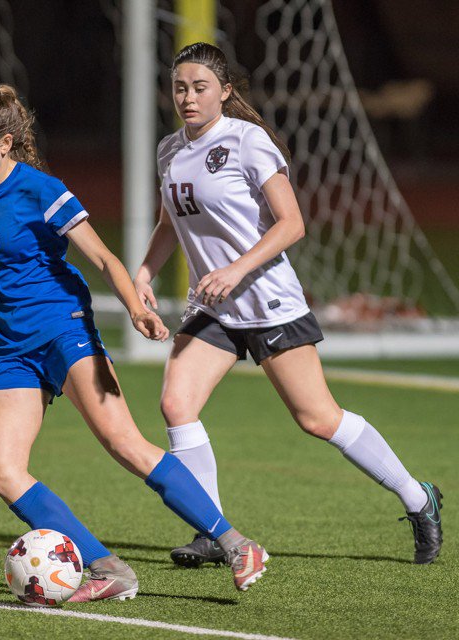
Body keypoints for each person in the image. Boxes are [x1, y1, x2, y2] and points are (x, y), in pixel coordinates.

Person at [0, 85, 270, 599]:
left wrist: (137, 308)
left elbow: (103, 258)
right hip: (10, 347)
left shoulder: (41, 190)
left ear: (5, 141)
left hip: (64, 328)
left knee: (122, 442)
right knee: (1, 470)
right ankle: (108, 569)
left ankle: (237, 543)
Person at [134, 43, 443, 568]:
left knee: (318, 419)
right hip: (216, 308)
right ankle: (211, 531)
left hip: (268, 301)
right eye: (180, 87)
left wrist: (234, 269)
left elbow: (292, 223)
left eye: (200, 87)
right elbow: (171, 223)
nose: (188, 96)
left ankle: (418, 498)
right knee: (176, 404)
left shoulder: (247, 140)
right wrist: (144, 271)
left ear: (225, 91)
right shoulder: (169, 149)